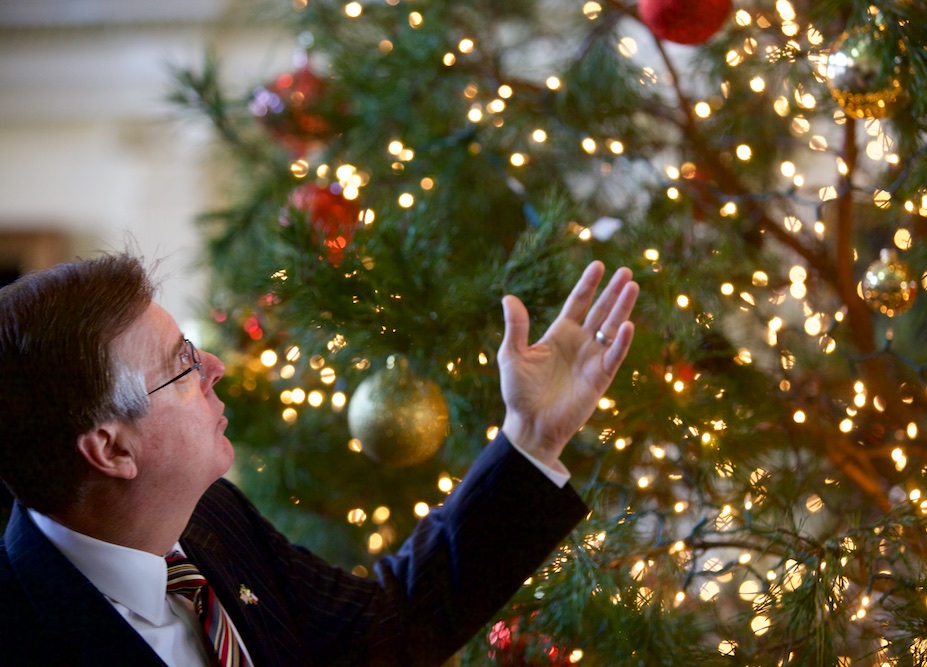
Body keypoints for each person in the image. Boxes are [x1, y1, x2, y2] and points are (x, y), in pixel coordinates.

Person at [0, 252, 638, 666]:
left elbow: (387, 625)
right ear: (112, 449)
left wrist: (532, 437)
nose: (215, 368)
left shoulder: (209, 515)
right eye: (181, 366)